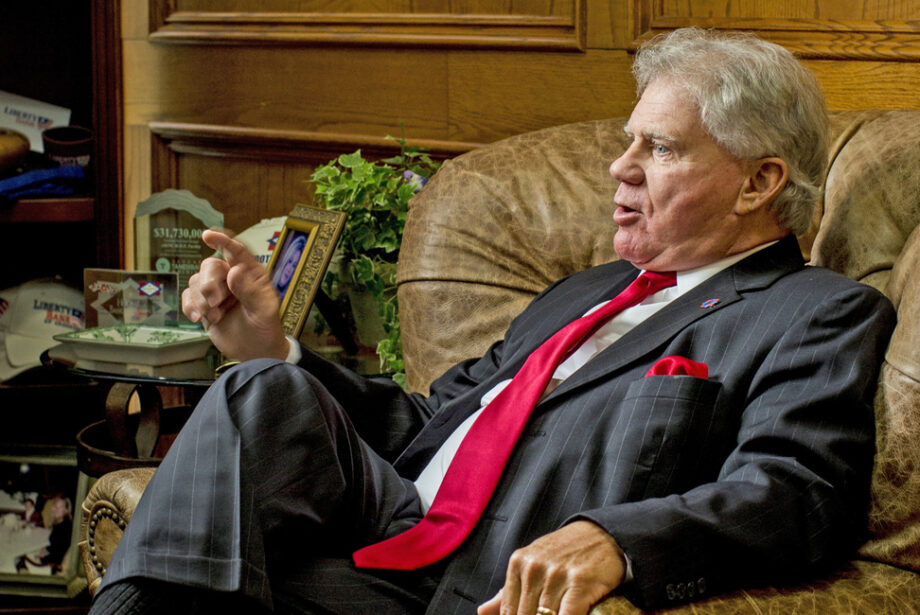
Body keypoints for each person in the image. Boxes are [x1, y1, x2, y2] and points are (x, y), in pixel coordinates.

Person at [88, 28, 896, 615]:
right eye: (628, 142)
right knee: (259, 389)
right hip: (397, 528)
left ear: (759, 182)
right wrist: (272, 343)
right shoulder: (584, 290)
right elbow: (433, 419)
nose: (620, 167)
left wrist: (619, 541)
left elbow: (797, 491)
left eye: (659, 149)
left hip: (489, 582)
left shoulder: (815, 311)